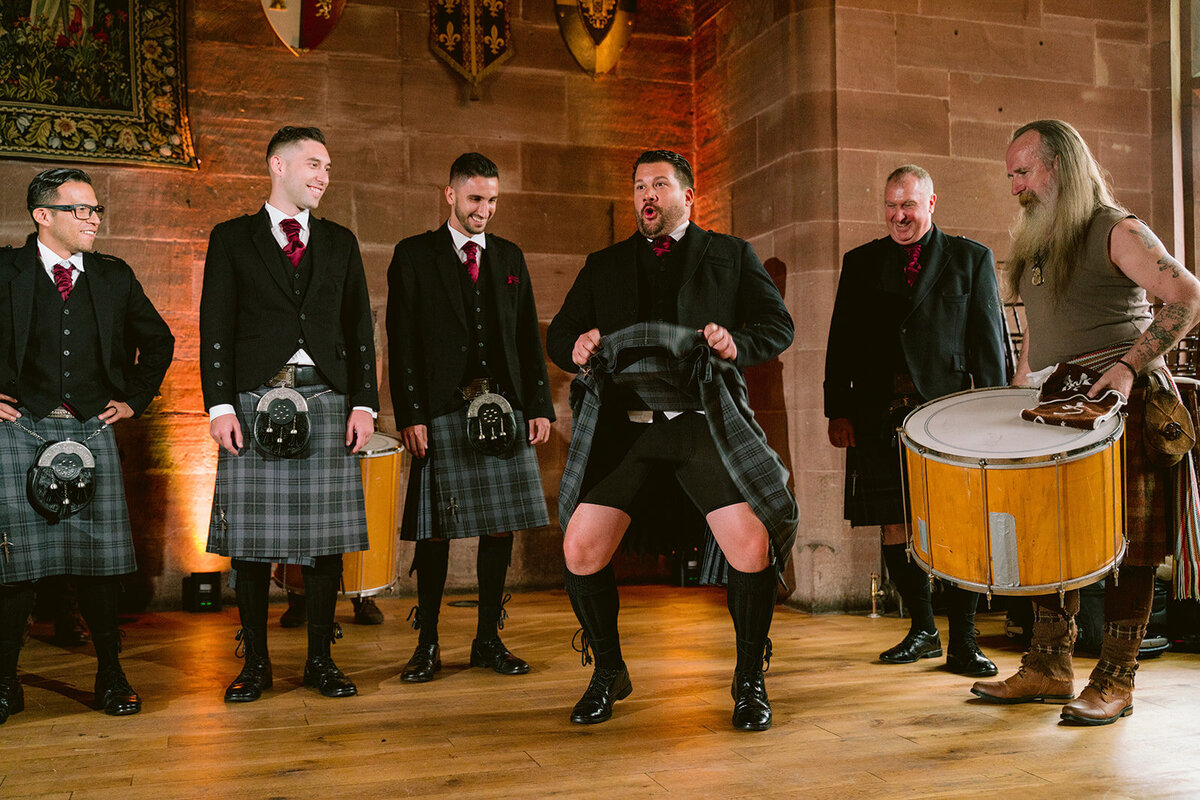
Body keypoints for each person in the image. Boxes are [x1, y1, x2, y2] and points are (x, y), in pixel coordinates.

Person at [546, 150, 795, 730]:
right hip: (624, 430)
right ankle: (609, 670)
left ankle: (749, 681)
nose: (646, 195)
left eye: (659, 184)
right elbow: (560, 334)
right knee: (580, 550)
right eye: (638, 186)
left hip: (700, 425)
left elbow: (776, 326)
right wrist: (576, 346)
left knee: (751, 547)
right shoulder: (603, 264)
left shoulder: (730, 255)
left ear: (688, 195)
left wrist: (735, 343)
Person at [970, 119, 1200, 725]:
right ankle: (1048, 666)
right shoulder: (1039, 241)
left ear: (1060, 168)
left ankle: (1116, 681)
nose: (1014, 183)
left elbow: (1188, 297)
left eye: (1023, 170)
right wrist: (1020, 382)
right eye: (1011, 173)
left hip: (1121, 402)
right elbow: (1039, 335)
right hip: (1056, 403)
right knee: (1053, 534)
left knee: (1131, 546)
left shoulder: (1117, 229)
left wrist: (1127, 368)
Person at [200, 126, 378, 703]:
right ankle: (255, 666)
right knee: (250, 543)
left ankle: (321, 661)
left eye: (328, 166)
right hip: (254, 402)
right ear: (278, 165)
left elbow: (359, 328)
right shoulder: (231, 239)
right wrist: (221, 404)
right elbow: (214, 326)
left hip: (327, 401)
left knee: (326, 542)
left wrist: (364, 402)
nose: (324, 175)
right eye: (313, 164)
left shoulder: (341, 242)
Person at [0, 167, 174, 722]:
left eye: (97, 209)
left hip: (90, 430)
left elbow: (160, 339)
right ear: (42, 215)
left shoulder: (112, 276)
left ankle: (110, 673)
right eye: (81, 209)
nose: (93, 218)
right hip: (20, 429)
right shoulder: (5, 270)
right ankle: (5, 681)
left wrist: (134, 399)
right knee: (15, 568)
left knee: (101, 564)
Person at [824, 165, 1008, 677]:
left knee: (959, 526)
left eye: (908, 205)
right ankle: (923, 630)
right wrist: (837, 408)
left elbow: (988, 344)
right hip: (878, 414)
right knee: (893, 523)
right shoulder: (860, 263)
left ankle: (964, 642)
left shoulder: (971, 259)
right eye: (890, 206)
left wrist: (991, 413)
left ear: (931, 203)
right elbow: (840, 342)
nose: (898, 215)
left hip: (949, 416)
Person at [386, 153, 554, 682]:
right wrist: (411, 414)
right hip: (442, 411)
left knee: (500, 528)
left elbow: (529, 338)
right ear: (450, 195)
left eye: (493, 199)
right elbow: (402, 341)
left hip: (504, 412)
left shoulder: (509, 258)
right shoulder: (414, 255)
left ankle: (487, 639)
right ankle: (427, 644)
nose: (485, 209)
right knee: (436, 534)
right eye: (476, 198)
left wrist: (540, 406)